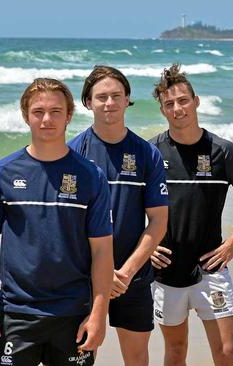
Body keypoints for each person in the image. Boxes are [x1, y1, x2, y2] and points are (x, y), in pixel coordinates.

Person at [0, 78, 114, 366]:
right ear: (26, 116)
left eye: (55, 111)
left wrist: (99, 312)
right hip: (17, 311)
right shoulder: (1, 173)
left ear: (69, 116)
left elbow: (102, 250)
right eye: (38, 112)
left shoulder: (91, 176)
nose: (46, 119)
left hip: (74, 311)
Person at [149, 63, 233, 366]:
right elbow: (127, 203)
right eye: (169, 104)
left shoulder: (222, 151)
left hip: (211, 270)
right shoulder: (152, 152)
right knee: (175, 353)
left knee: (225, 352)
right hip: (166, 273)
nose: (177, 108)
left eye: (182, 100)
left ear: (196, 101)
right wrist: (145, 247)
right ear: (163, 110)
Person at [67, 66, 168, 366]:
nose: (109, 102)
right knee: (81, 357)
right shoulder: (72, 153)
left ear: (127, 101)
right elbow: (68, 224)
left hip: (131, 278)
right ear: (88, 102)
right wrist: (100, 272)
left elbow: (159, 221)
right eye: (101, 97)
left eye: (116, 96)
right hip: (83, 278)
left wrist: (125, 272)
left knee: (137, 359)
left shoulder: (147, 154)